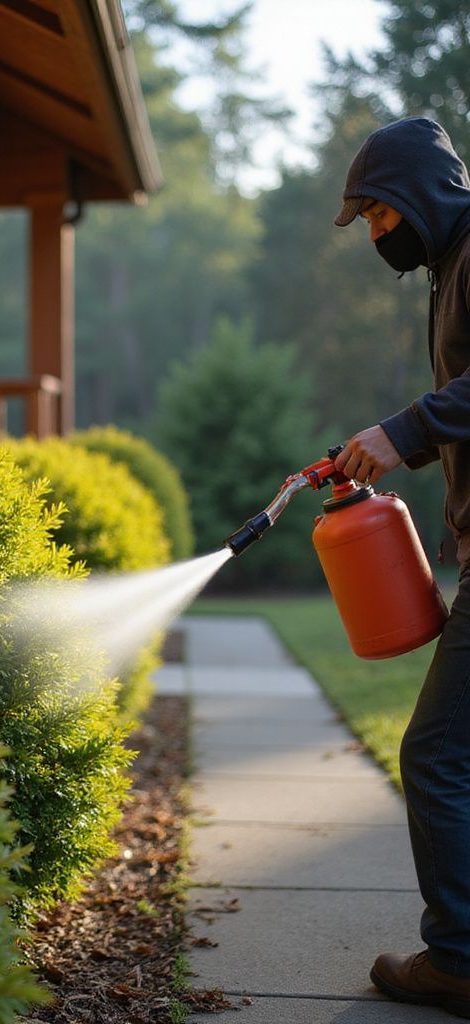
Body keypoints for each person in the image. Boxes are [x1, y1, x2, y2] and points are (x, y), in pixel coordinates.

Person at [333, 116, 470, 1019]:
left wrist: (404, 430)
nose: (378, 233)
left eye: (381, 213)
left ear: (420, 192)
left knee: (435, 752)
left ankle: (458, 959)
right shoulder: (450, 272)